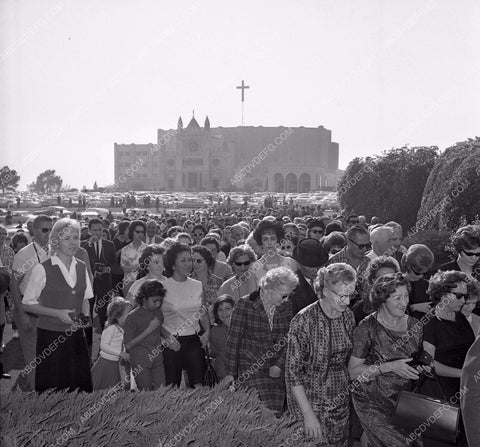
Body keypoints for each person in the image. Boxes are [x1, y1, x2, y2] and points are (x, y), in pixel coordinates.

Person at [349, 273, 425, 447]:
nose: (404, 303)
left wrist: (420, 368)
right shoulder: (367, 328)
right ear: (382, 299)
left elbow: (412, 361)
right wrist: (390, 366)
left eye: (406, 296)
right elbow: (353, 372)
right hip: (372, 401)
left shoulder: (415, 325)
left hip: (404, 399)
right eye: (397, 298)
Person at [286, 263, 356, 446]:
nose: (347, 302)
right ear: (324, 291)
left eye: (350, 295)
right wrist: (308, 415)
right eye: (342, 296)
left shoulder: (348, 316)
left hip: (339, 401)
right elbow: (292, 374)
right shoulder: (303, 321)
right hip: (308, 401)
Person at [22, 218, 94, 392]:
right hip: (51, 338)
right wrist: (57, 313)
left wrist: (84, 317)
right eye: (67, 238)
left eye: (76, 237)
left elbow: (85, 297)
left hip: (77, 336)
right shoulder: (42, 268)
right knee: (53, 389)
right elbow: (27, 304)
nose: (73, 242)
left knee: (78, 387)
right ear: (55, 241)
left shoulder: (81, 266)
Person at [225, 266, 298, 414]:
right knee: (259, 410)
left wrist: (279, 365)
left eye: (289, 295)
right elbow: (234, 340)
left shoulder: (287, 306)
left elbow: (289, 339)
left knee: (276, 412)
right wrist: (230, 374)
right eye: (284, 295)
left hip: (276, 369)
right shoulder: (244, 304)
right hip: (251, 367)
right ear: (267, 289)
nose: (287, 300)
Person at [10, 215, 53, 391]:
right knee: (34, 357)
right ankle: (37, 394)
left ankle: (44, 392)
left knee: (49, 355)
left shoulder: (56, 250)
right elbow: (14, 286)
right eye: (45, 230)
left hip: (49, 312)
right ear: (33, 231)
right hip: (29, 312)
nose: (49, 233)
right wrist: (22, 314)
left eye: (51, 229)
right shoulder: (24, 254)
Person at [422, 270, 476, 408]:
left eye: (465, 296)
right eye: (459, 296)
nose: (463, 301)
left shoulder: (460, 317)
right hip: (446, 391)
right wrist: (463, 373)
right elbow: (429, 363)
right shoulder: (430, 323)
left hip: (468, 385)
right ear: (442, 294)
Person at [161, 243, 209, 387]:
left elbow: (203, 312)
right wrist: (167, 337)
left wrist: (208, 332)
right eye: (183, 260)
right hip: (171, 341)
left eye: (190, 260)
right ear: (173, 265)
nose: (189, 264)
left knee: (199, 386)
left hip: (194, 340)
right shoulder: (162, 286)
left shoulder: (197, 285)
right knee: (171, 387)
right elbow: (155, 319)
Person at [124, 279, 167, 390]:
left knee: (162, 391)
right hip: (140, 361)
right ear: (143, 299)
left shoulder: (157, 311)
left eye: (160, 301)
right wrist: (148, 330)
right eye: (155, 301)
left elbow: (159, 328)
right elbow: (128, 345)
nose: (158, 304)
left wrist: (169, 338)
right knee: (146, 393)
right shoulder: (132, 317)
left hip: (157, 358)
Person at [81, 218, 120, 331]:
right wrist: (89, 244)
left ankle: (105, 336)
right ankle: (87, 340)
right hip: (89, 283)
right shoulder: (83, 244)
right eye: (94, 230)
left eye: (99, 230)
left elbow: (114, 263)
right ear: (89, 231)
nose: (97, 233)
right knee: (87, 310)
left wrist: (109, 268)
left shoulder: (109, 244)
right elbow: (77, 257)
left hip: (104, 282)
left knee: (103, 311)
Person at [91, 297, 131, 390]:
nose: (130, 316)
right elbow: (104, 346)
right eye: (127, 314)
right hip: (106, 364)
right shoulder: (111, 328)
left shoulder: (121, 327)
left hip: (115, 363)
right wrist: (121, 353)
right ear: (119, 315)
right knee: (104, 389)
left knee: (113, 389)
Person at [353, 255, 400, 325]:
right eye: (380, 277)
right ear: (372, 280)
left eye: (391, 277)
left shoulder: (402, 302)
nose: (386, 282)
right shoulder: (361, 308)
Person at [289, 238, 329, 315]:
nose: (315, 270)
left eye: (318, 265)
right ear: (299, 263)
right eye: (310, 266)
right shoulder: (291, 285)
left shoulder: (329, 279)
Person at [403, 244, 435, 320]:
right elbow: (390, 312)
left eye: (425, 273)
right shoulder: (397, 285)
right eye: (418, 273)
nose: (421, 276)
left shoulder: (429, 285)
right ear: (409, 266)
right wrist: (413, 307)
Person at [209, 295, 234, 380]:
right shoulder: (215, 331)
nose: (224, 312)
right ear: (216, 313)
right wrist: (208, 348)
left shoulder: (244, 326)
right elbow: (214, 353)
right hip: (223, 374)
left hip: (243, 372)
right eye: (220, 310)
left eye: (228, 309)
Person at [190, 245, 223, 310]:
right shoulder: (186, 281)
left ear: (207, 261)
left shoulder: (218, 282)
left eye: (198, 261)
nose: (194, 263)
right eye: (192, 260)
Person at [120, 220, 147, 296]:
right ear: (132, 232)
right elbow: (124, 268)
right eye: (137, 232)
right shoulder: (125, 249)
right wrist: (140, 266)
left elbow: (149, 266)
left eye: (142, 232)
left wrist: (131, 267)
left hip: (144, 283)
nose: (140, 234)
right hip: (128, 283)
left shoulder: (148, 249)